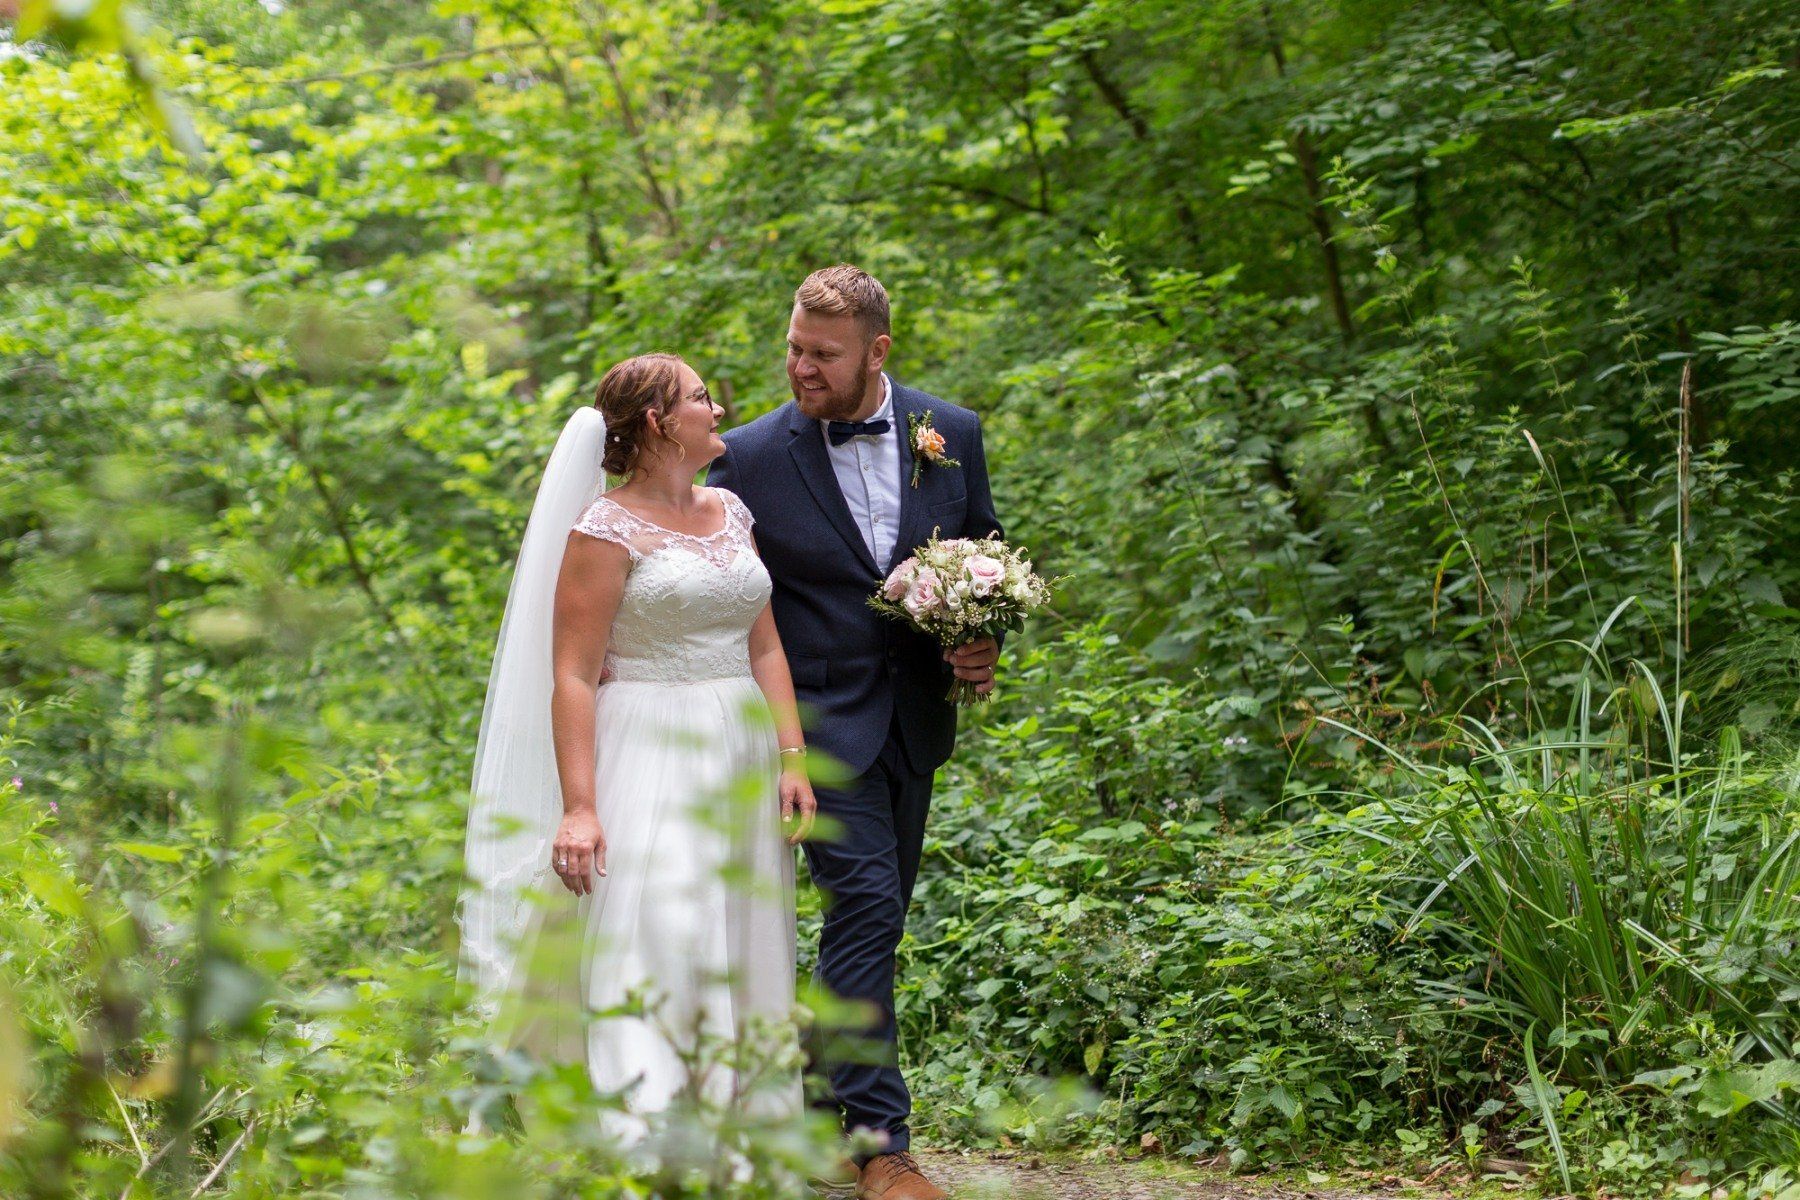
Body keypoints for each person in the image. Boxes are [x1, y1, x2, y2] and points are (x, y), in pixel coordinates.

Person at [459, 352, 815, 1146]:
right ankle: (641, 1131)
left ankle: (738, 1124)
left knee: (737, 926)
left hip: (740, 747)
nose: (716, 408)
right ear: (659, 423)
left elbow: (764, 648)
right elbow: (574, 675)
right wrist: (580, 806)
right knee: (656, 931)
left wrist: (793, 757)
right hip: (647, 744)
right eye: (698, 398)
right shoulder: (603, 529)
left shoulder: (732, 511)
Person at [709, 264, 1003, 1200]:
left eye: (822, 355)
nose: (800, 367)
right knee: (868, 905)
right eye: (794, 347)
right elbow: (726, 597)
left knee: (873, 922)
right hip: (815, 722)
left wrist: (982, 636)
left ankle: (811, 1107)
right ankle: (883, 1144)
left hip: (917, 721)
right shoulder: (749, 457)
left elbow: (984, 548)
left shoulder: (950, 434)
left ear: (878, 352)